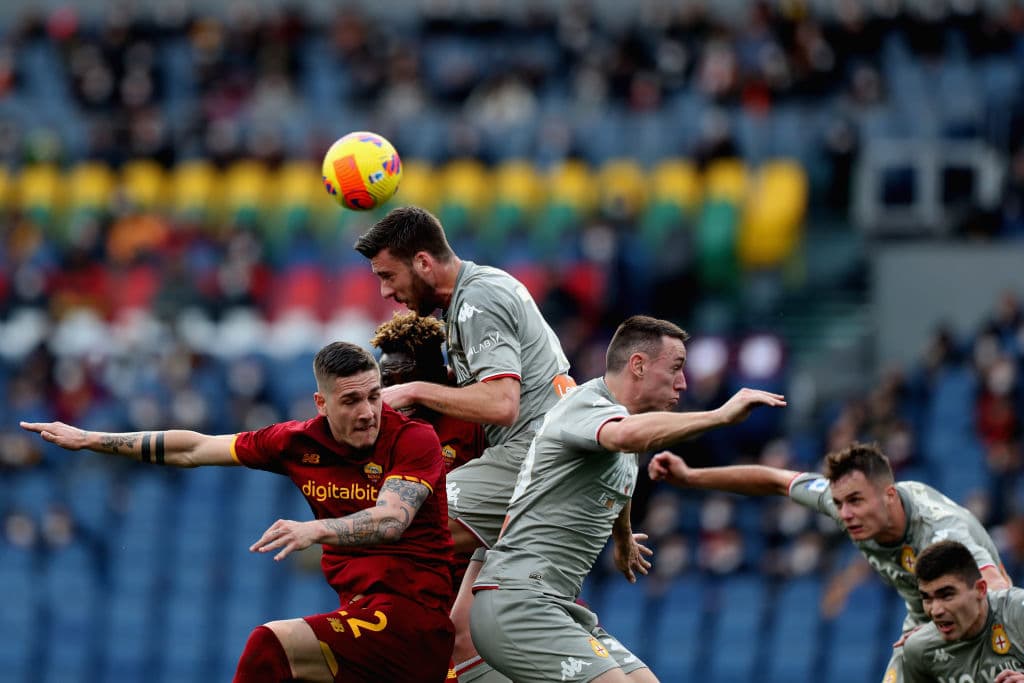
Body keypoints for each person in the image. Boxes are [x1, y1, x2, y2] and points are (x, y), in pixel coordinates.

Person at [21, 341, 455, 683]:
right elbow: (193, 448)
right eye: (351, 401)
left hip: (411, 620)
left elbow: (393, 519)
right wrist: (90, 438)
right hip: (362, 621)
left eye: (374, 396)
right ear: (321, 405)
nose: (367, 413)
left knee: (269, 644)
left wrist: (315, 530)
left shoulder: (413, 439)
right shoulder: (297, 442)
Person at [470, 315, 787, 682]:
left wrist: (622, 537)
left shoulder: (621, 424)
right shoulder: (586, 403)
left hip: (556, 603)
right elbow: (625, 439)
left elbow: (616, 470)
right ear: (638, 365)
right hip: (518, 600)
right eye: (677, 368)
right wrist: (718, 416)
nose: (684, 382)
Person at [355, 205, 575, 682]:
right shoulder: (471, 300)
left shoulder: (477, 301)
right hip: (540, 464)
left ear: (423, 263)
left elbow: (501, 404)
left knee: (401, 522)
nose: (385, 291)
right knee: (461, 633)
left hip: (532, 462)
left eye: (387, 275)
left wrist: (412, 390)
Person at [648, 441, 1013, 683]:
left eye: (855, 501)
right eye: (839, 504)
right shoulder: (848, 505)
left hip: (980, 633)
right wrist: (691, 476)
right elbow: (775, 480)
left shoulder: (943, 533)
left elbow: (997, 590)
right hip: (922, 629)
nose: (846, 514)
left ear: (889, 496)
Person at [370, 310, 487, 474]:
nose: (399, 393)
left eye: (410, 382)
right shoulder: (371, 426)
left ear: (440, 375)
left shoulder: (475, 416)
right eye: (389, 382)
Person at [902, 540, 1024, 683]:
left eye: (947, 595)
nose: (935, 611)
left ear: (981, 589)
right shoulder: (920, 650)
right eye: (927, 598)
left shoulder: (1018, 612)